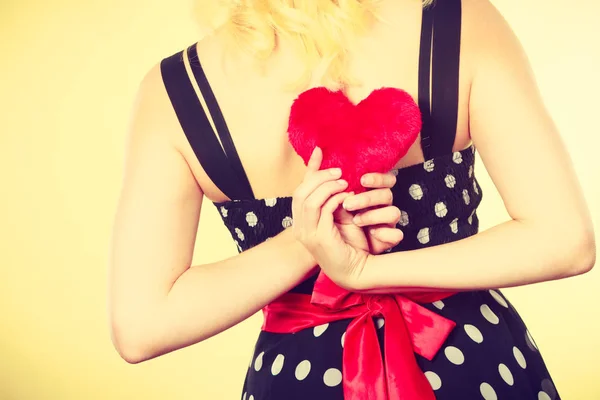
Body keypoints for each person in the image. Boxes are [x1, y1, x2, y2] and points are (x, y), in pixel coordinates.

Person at [108, 0, 596, 399]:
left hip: (297, 380)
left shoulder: (173, 90)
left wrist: (311, 244)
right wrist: (348, 261)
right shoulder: (457, 23)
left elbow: (143, 322)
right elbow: (563, 239)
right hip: (468, 363)